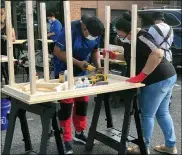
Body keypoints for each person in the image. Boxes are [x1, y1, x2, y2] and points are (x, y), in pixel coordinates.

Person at [103, 12, 177, 154]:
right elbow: (131, 55)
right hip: (166, 76)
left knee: (148, 115)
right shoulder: (130, 40)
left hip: (158, 79)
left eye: (121, 35)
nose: (119, 38)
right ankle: (170, 145)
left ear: (129, 31)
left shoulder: (142, 36)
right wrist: (114, 55)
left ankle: (143, 147)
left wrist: (142, 75)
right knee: (162, 113)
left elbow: (158, 53)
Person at [54, 14, 104, 154]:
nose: (94, 38)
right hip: (65, 70)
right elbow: (58, 52)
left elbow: (95, 50)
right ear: (84, 28)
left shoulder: (96, 31)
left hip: (82, 71)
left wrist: (97, 66)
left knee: (82, 102)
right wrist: (77, 63)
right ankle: (66, 139)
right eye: (92, 35)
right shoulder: (70, 29)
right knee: (67, 105)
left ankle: (79, 133)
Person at [148, 11, 174, 106]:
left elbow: (150, 43)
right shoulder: (170, 28)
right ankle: (168, 99)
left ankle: (156, 99)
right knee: (168, 75)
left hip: (158, 54)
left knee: (158, 77)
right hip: (168, 55)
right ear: (163, 19)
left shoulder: (153, 28)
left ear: (154, 20)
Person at [1, 18, 16, 84]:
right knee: (2, 64)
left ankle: (8, 80)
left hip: (7, 47)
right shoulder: (1, 26)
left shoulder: (11, 28)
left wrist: (7, 37)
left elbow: (14, 39)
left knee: (7, 64)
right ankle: (4, 79)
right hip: (1, 46)